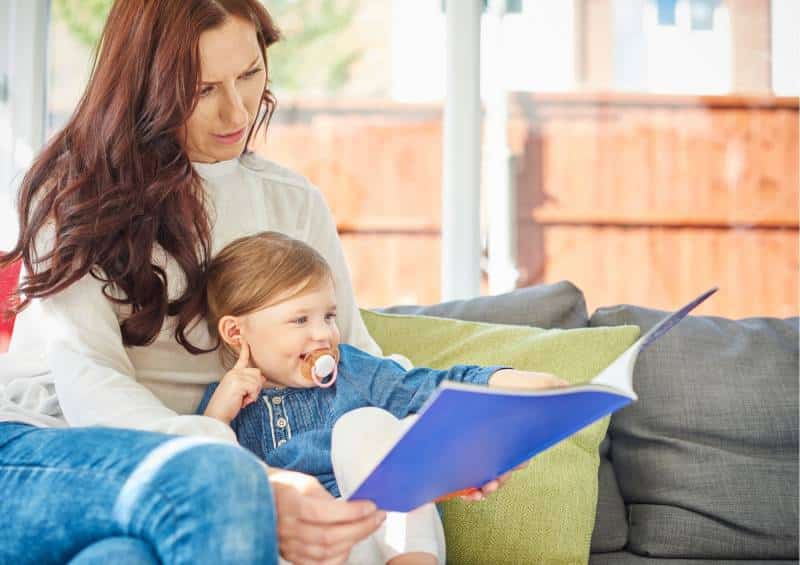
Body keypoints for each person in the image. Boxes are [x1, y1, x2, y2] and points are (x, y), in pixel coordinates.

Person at [0, 1, 524, 563]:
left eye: (249, 75)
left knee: (121, 558)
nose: (237, 111)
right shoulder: (77, 195)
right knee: (220, 487)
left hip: (206, 478)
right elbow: (91, 384)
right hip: (50, 449)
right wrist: (249, 483)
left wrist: (432, 450)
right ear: (145, 90)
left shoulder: (291, 202)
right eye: (201, 90)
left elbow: (346, 356)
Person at [195, 231, 569, 565]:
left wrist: (507, 381)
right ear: (236, 333)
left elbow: (427, 389)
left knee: (369, 424)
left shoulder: (353, 371)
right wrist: (216, 419)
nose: (323, 334)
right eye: (300, 320)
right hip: (306, 549)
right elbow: (206, 487)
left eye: (328, 316)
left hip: (378, 536)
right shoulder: (226, 404)